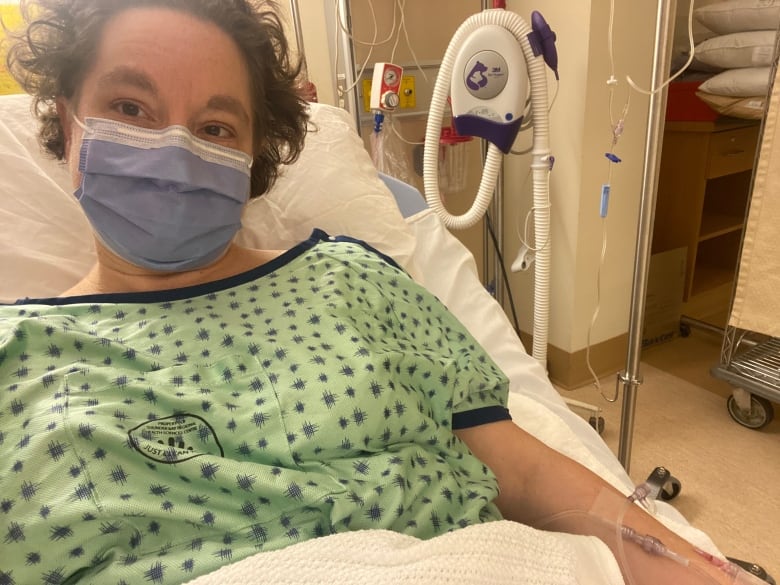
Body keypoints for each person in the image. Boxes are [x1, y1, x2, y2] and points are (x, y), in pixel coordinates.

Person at [0, 1, 752, 584]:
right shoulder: (17, 359)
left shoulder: (352, 277)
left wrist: (684, 563)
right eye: (130, 108)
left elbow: (517, 466)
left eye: (216, 126)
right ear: (66, 123)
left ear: (254, 157)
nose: (172, 149)